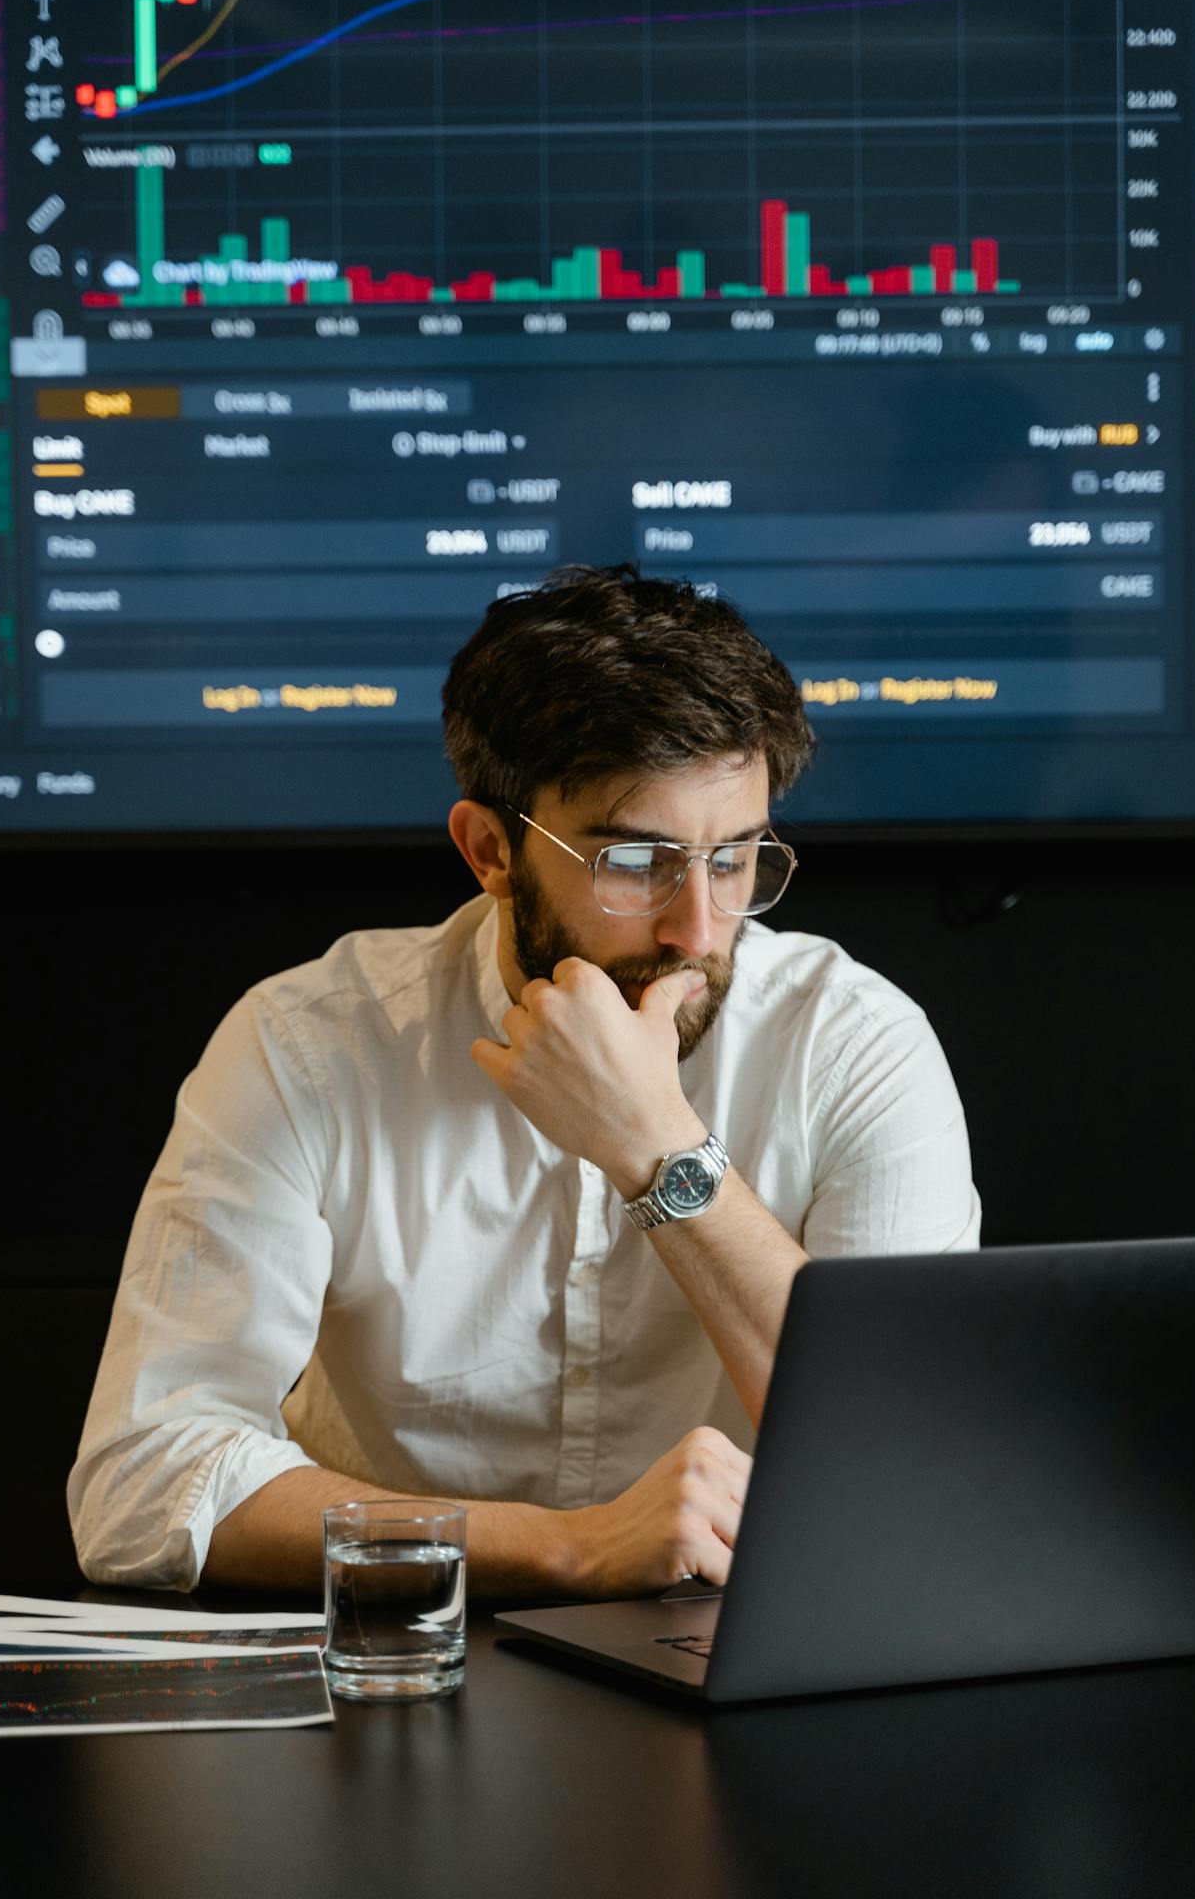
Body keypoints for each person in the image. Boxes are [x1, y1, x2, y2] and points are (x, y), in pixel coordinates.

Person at [69, 566, 980, 1596]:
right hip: (405, 1660)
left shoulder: (856, 1042)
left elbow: (920, 1464)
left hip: (740, 1660)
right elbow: (143, 1484)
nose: (699, 927)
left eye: (734, 859)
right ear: (491, 849)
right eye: (637, 863)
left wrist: (661, 1154)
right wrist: (571, 1546)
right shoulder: (307, 1043)